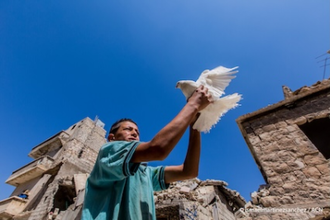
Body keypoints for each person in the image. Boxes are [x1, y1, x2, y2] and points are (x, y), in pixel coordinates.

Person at [82, 85, 212, 220]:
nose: (134, 133)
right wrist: (193, 105)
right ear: (111, 138)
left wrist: (195, 125)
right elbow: (158, 149)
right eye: (128, 129)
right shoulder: (108, 152)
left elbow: (189, 172)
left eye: (137, 132)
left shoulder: (146, 174)